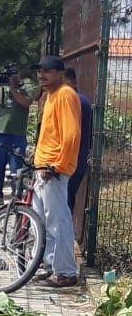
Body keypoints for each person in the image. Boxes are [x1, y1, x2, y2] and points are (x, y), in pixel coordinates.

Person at [29, 55, 82, 288]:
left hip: (54, 171)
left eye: (47, 71)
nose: (42, 75)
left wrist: (57, 166)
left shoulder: (65, 94)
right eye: (39, 71)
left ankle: (67, 272)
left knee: (58, 221)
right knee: (42, 222)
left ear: (60, 73)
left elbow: (71, 135)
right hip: (43, 169)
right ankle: (51, 266)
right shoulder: (49, 96)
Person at [0, 68, 33, 205]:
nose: (12, 77)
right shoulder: (1, 88)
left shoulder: (26, 87)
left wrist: (12, 88)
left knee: (17, 170)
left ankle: (16, 198)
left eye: (15, 74)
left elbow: (26, 102)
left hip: (17, 135)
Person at [64, 68, 93, 217]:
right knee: (67, 200)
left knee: (63, 203)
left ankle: (64, 238)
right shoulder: (82, 100)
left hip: (69, 161)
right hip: (77, 160)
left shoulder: (75, 100)